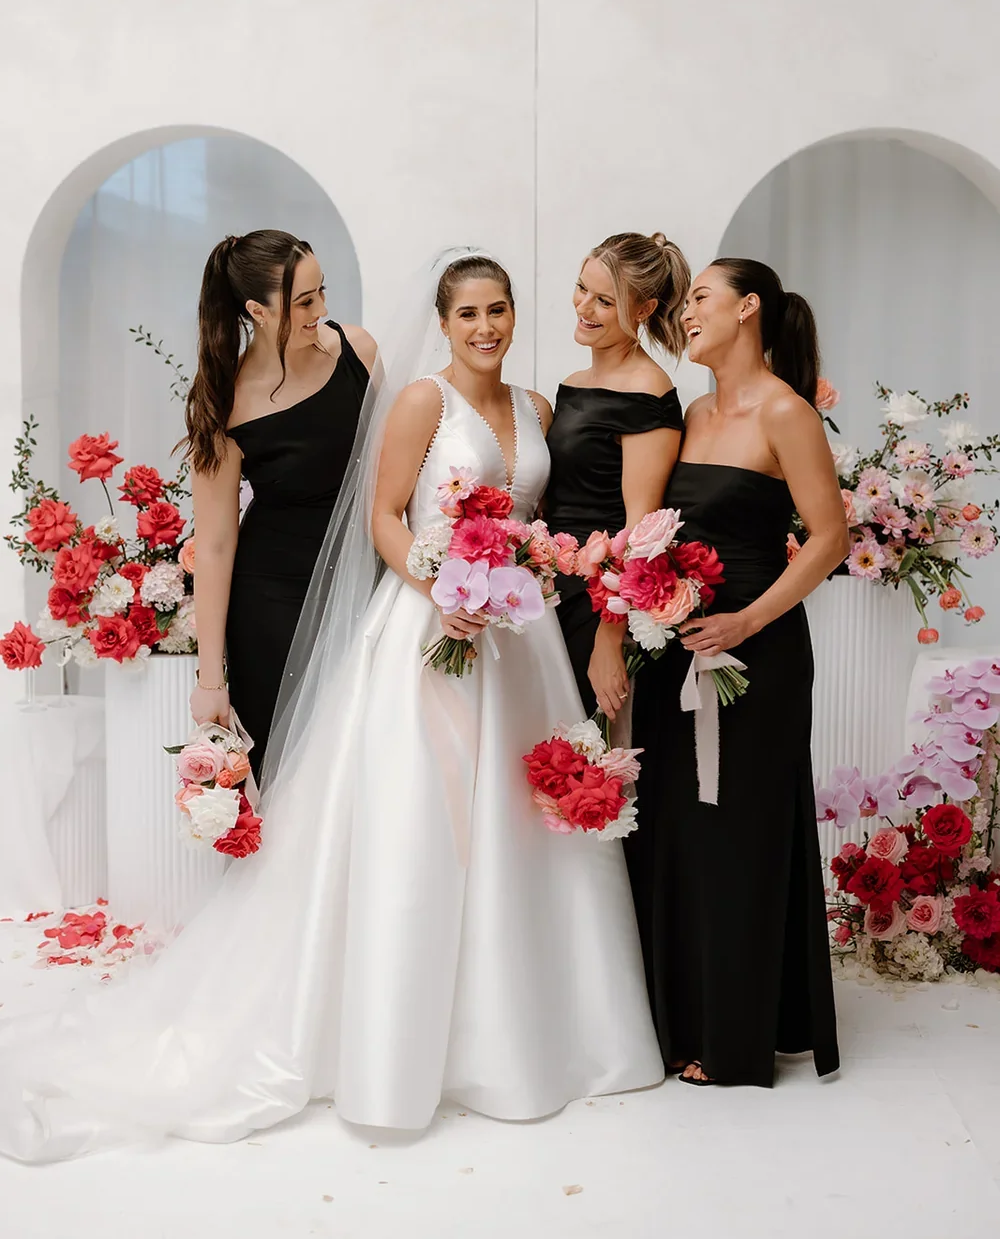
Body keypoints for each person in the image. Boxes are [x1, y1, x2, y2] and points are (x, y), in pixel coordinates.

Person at [0, 250, 661, 1163]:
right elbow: (382, 515)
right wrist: (437, 581)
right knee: (419, 819)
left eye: (499, 309)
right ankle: (398, 1040)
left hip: (521, 641)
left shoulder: (537, 408)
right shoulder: (421, 401)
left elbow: (536, 518)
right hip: (429, 627)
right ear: (443, 319)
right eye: (468, 312)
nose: (485, 327)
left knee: (517, 820)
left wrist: (537, 566)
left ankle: (531, 1028)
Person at [626, 257, 848, 1088]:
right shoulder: (692, 410)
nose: (687, 314)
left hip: (756, 654)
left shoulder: (785, 411)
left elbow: (828, 537)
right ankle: (684, 1022)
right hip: (678, 648)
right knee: (682, 835)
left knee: (741, 836)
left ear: (749, 308)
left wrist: (748, 622)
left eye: (701, 299)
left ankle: (737, 1038)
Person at [184, 229, 376, 778]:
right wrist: (209, 682)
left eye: (321, 293)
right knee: (292, 775)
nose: (321, 310)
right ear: (257, 311)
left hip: (367, 585)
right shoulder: (226, 400)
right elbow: (217, 545)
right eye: (304, 302)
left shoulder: (358, 351)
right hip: (274, 608)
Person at [545, 232, 688, 722]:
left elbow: (642, 529)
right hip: (554, 588)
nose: (583, 306)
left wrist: (609, 636)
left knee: (592, 749)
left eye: (604, 300)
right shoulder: (573, 384)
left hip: (598, 602)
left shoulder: (648, 392)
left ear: (644, 308)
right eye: (581, 288)